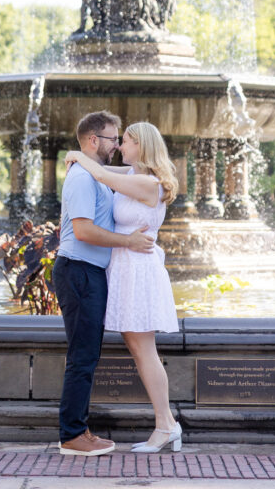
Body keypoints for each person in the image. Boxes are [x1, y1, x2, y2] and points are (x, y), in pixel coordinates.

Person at [65, 121, 182, 454]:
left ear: (141, 147)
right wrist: (84, 156)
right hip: (125, 266)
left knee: (144, 349)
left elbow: (102, 175)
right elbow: (104, 169)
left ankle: (165, 425)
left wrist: (75, 153)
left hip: (139, 269)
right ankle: (167, 424)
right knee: (137, 347)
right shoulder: (133, 175)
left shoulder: (149, 183)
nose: (119, 146)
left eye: (126, 141)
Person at [52, 111, 155, 457]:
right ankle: (72, 435)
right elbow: (82, 231)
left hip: (89, 272)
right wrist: (127, 242)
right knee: (82, 355)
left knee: (87, 354)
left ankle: (79, 429)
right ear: (95, 140)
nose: (116, 145)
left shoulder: (96, 175)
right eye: (113, 139)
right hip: (78, 270)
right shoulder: (82, 177)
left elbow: (134, 173)